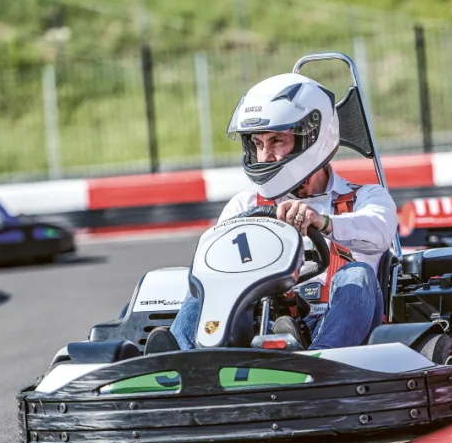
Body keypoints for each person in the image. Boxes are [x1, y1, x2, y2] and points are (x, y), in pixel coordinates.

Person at [146, 72, 398, 352]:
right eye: (258, 143)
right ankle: (179, 359)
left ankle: (322, 360)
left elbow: (380, 232)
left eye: (277, 141)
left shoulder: (365, 198)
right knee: (205, 281)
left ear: (313, 137)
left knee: (357, 273)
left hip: (339, 326)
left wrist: (323, 222)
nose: (265, 155)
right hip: (262, 323)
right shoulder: (245, 205)